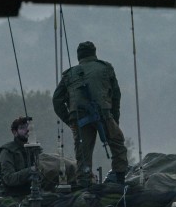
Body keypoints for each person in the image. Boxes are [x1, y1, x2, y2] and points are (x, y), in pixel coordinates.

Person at [52, 41, 128, 187]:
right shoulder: (105, 68)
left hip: (79, 117)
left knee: (83, 153)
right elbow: (116, 96)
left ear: (79, 56)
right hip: (103, 114)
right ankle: (120, 180)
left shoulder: (69, 74)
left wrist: (70, 121)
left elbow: (57, 100)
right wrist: (114, 120)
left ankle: (84, 185)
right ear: (94, 53)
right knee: (117, 144)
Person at [0, 116, 36, 194]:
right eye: (22, 128)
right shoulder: (8, 151)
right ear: (15, 132)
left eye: (28, 127)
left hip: (34, 192)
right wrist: (31, 170)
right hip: (14, 195)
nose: (27, 130)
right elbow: (9, 179)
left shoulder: (34, 149)